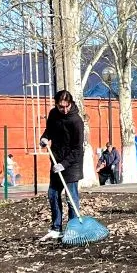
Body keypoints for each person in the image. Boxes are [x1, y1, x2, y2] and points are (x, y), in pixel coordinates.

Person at [40, 89, 84, 242]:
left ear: (71, 104)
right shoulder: (53, 114)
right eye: (61, 107)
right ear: (56, 104)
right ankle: (56, 228)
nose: (64, 110)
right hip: (56, 160)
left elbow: (78, 149)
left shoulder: (76, 121)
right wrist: (44, 138)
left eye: (67, 106)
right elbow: (49, 131)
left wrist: (64, 164)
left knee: (71, 198)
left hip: (72, 164)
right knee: (53, 194)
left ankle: (73, 230)